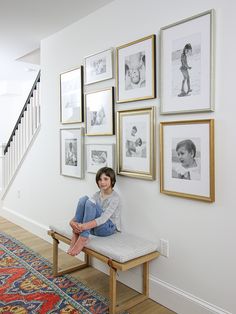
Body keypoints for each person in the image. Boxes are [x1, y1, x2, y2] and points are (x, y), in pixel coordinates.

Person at [67, 167, 121, 256]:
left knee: (89, 202)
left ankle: (83, 237)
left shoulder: (115, 198)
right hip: (93, 228)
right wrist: (72, 222)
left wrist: (83, 227)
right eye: (100, 179)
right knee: (83, 199)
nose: (102, 182)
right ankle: (76, 233)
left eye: (106, 179)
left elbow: (103, 219)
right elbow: (86, 210)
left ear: (112, 180)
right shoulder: (97, 195)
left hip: (107, 228)